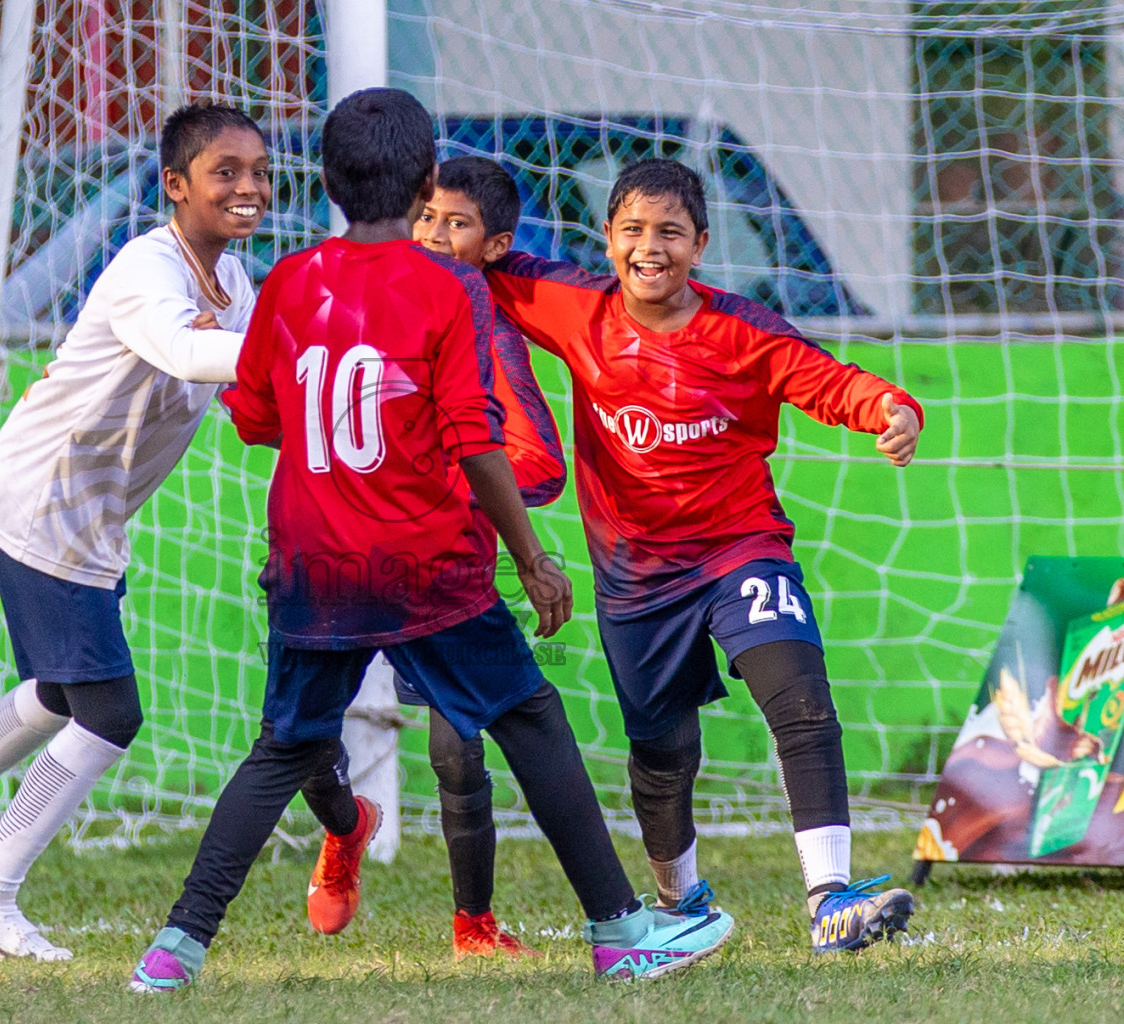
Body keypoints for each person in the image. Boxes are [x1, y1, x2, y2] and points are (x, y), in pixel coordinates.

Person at [128, 89, 734, 995]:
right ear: (421, 185)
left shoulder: (290, 281)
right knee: (528, 716)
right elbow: (477, 441)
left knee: (283, 748)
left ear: (326, 181)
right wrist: (530, 557)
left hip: (315, 560)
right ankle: (620, 932)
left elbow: (255, 418)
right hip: (425, 563)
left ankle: (173, 952)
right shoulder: (444, 287)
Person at [483, 157, 923, 953]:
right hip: (635, 577)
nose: (651, 248)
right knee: (663, 752)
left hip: (738, 550)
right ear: (608, 240)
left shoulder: (743, 331)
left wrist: (893, 409)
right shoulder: (575, 306)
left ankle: (830, 898)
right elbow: (477, 261)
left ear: (702, 245)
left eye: (671, 233)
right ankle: (679, 899)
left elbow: (832, 382)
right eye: (634, 231)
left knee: (801, 700)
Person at [0, 102, 273, 962]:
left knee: (61, 691)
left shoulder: (236, 283)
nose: (248, 188)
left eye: (257, 171)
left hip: (93, 515)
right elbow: (191, 354)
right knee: (109, 710)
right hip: (44, 502)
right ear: (175, 187)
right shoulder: (144, 268)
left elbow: (243, 378)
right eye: (225, 172)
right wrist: (308, 340)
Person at [300, 156, 566, 958]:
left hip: (443, 575)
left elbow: (541, 462)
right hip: (347, 558)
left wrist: (444, 483)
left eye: (457, 224)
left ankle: (473, 925)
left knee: (457, 745)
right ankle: (346, 827)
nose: (435, 235)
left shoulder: (487, 332)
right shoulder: (352, 302)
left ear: (494, 246)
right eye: (426, 218)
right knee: (303, 732)